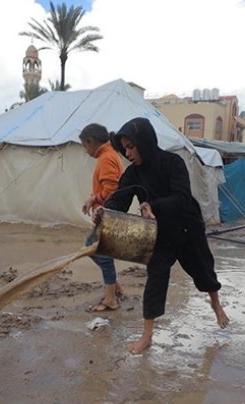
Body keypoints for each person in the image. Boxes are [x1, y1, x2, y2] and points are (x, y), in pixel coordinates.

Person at [99, 117, 229, 354]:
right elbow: (121, 197)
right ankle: (147, 336)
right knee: (156, 279)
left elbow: (181, 197)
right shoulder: (133, 174)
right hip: (159, 234)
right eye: (124, 148)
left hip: (187, 227)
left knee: (204, 271)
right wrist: (105, 211)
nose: (127, 153)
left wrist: (152, 205)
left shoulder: (173, 162)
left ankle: (216, 304)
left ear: (145, 142)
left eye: (131, 146)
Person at [79, 123, 125, 312]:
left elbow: (112, 190)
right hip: (106, 214)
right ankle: (115, 287)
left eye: (84, 146)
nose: (85, 150)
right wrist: (93, 200)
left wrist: (94, 199)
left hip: (108, 215)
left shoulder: (106, 158)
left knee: (100, 254)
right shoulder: (109, 155)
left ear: (91, 142)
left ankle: (111, 299)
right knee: (92, 248)